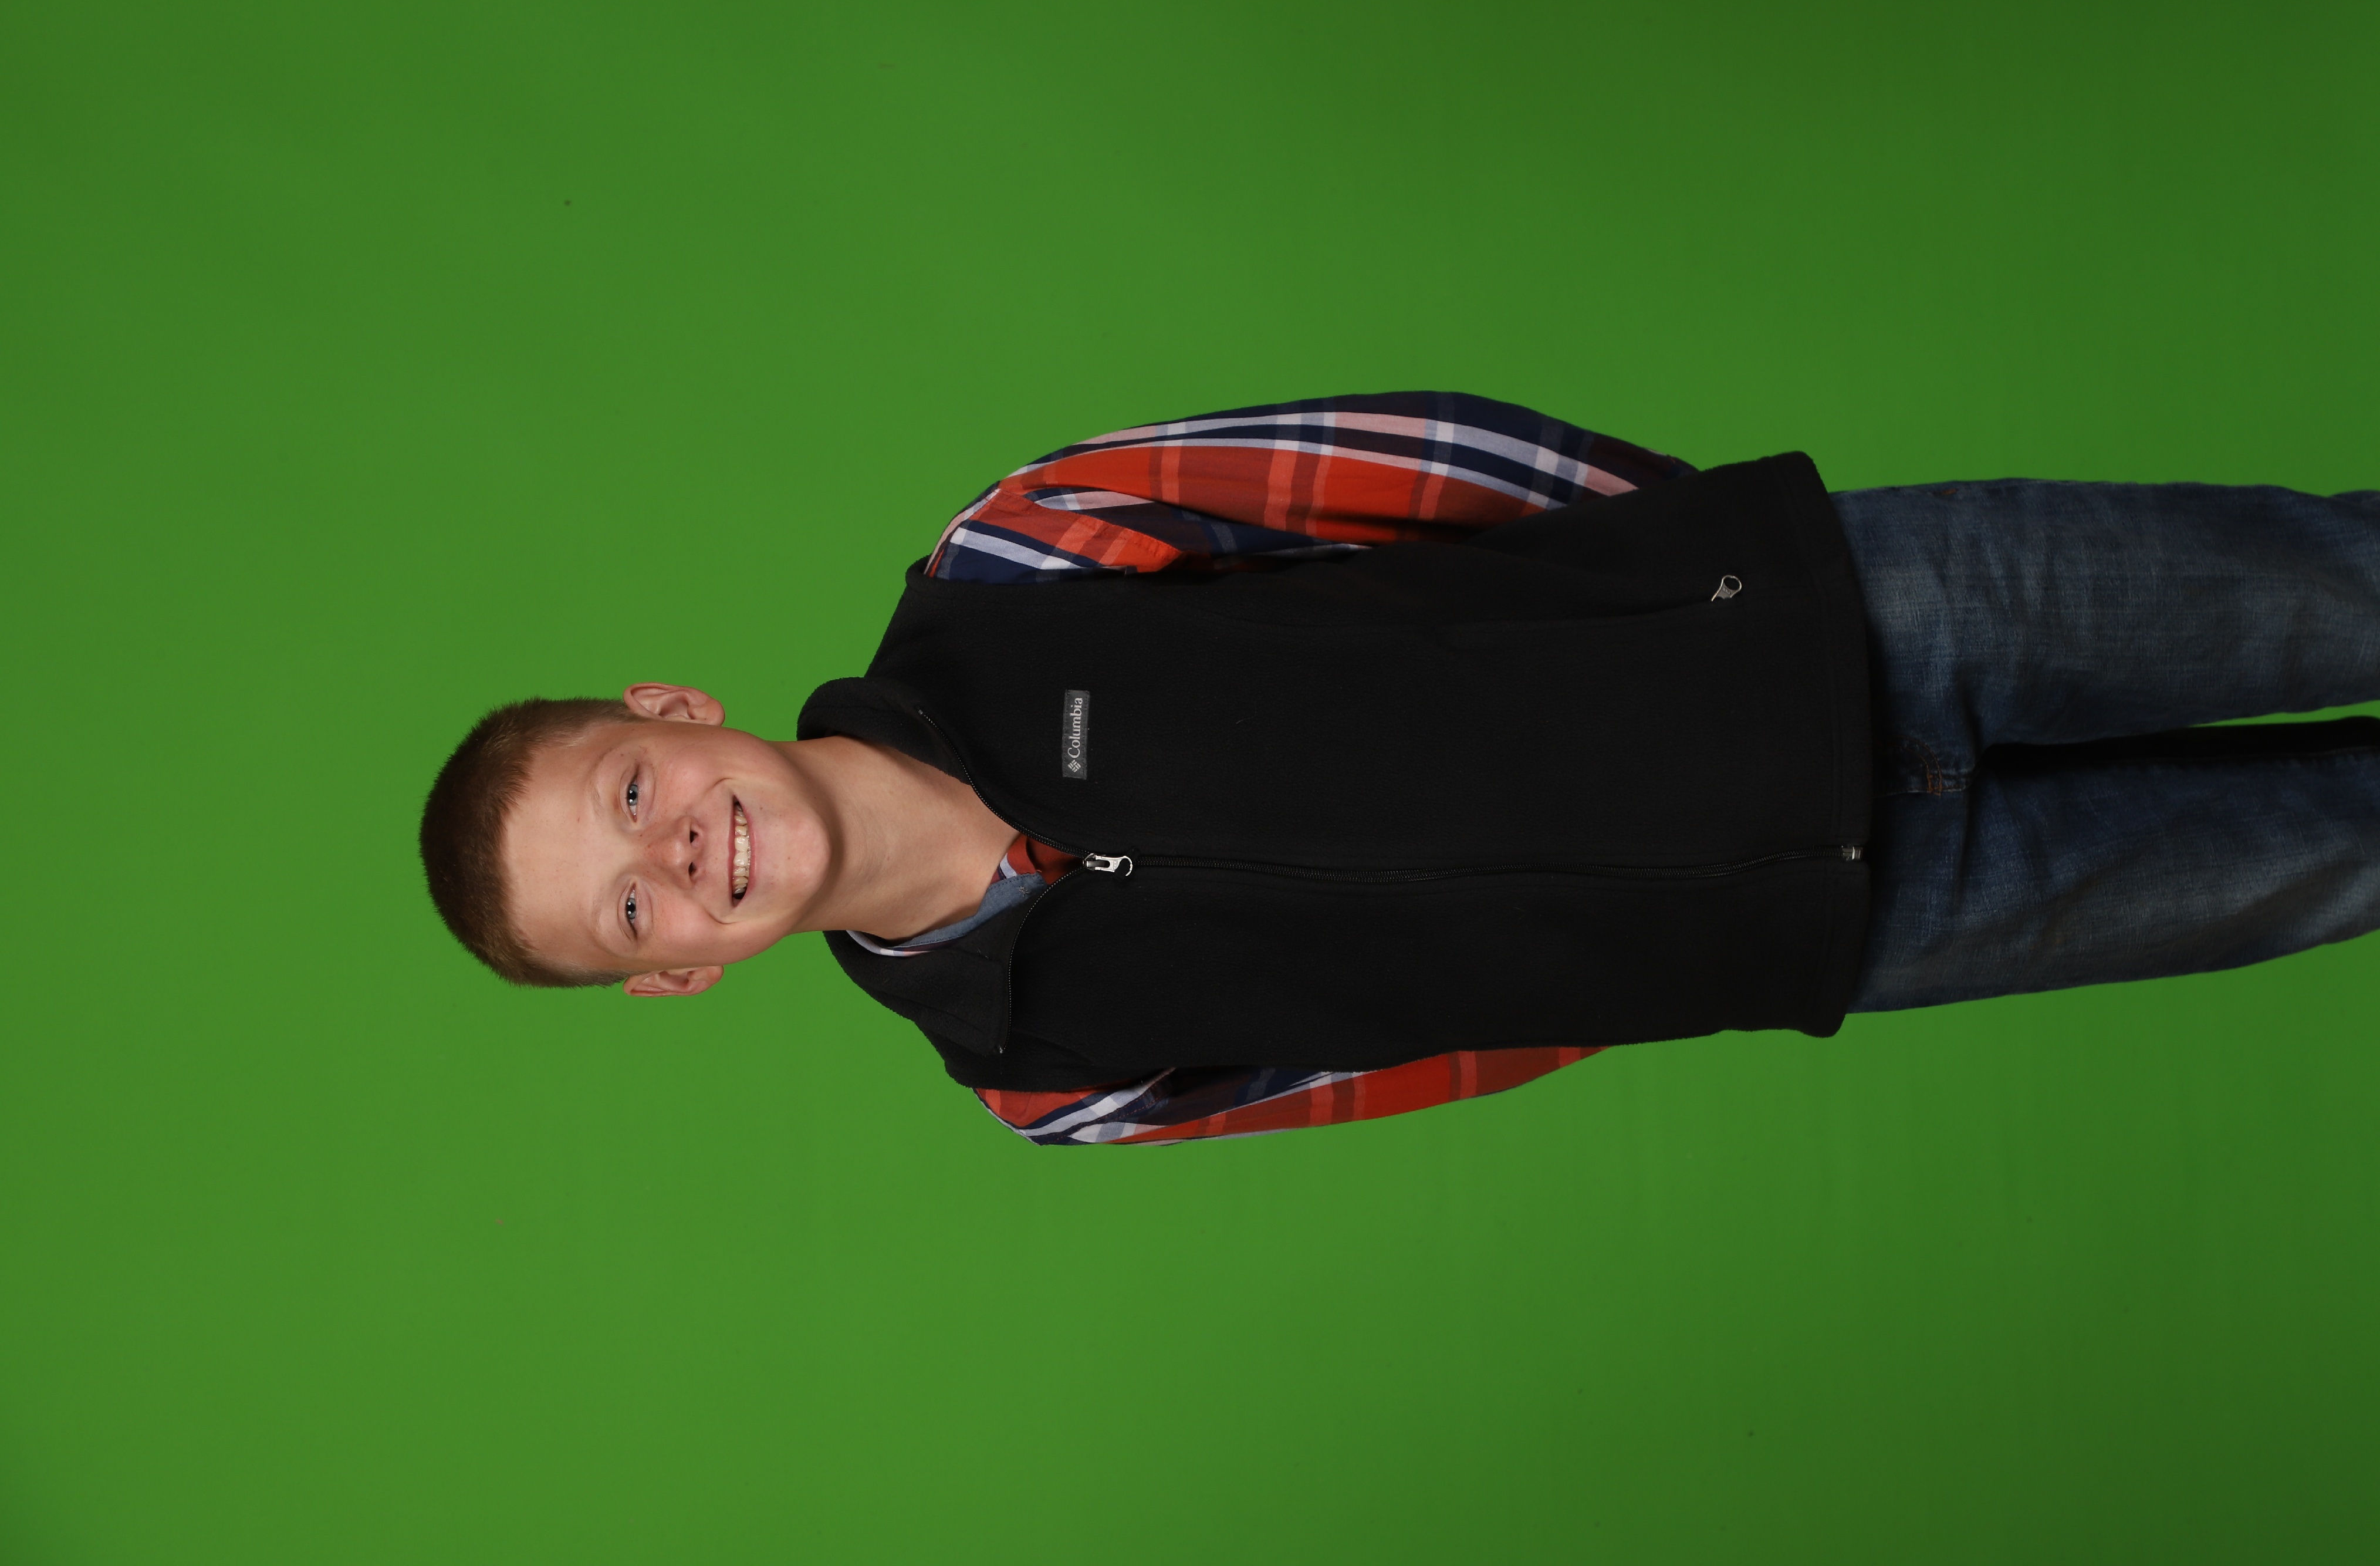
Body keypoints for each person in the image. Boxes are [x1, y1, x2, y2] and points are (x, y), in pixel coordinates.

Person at [419, 393, 2380, 1145]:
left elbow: (1402, 464)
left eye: (627, 798)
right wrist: (1645, 948)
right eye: (634, 911)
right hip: (1875, 921)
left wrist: (1691, 593)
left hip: (1871, 616)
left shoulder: (1012, 564)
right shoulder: (1046, 1079)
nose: (682, 854)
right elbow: (1411, 1060)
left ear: (669, 712)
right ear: (679, 977)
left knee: (2346, 587)